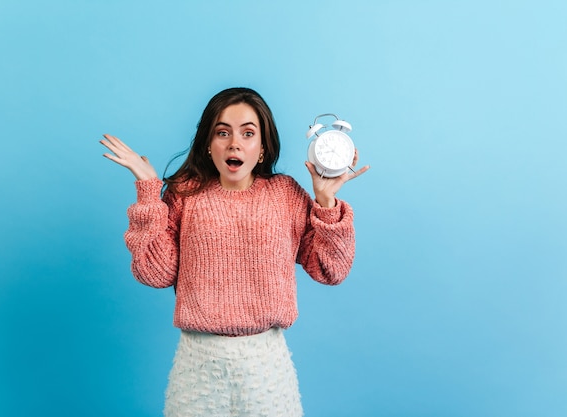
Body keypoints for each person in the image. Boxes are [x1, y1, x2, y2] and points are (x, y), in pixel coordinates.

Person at [100, 87, 369, 417]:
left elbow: (332, 270)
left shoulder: (285, 195)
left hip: (267, 369)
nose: (234, 143)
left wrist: (326, 203)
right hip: (197, 369)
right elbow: (155, 273)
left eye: (248, 133)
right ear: (209, 145)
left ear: (262, 148)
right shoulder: (185, 194)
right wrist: (148, 192)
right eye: (222, 132)